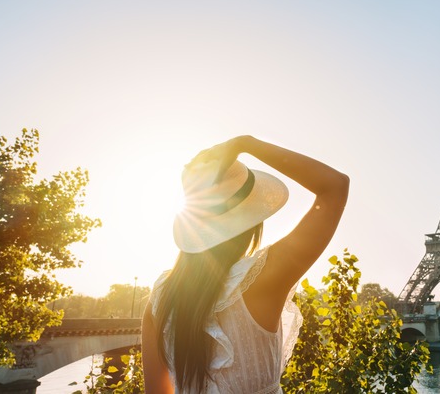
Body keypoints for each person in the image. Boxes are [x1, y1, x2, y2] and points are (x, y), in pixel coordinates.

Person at [141, 135, 349, 394]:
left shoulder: (160, 297)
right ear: (252, 221)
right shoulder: (264, 277)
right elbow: (335, 187)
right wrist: (246, 144)